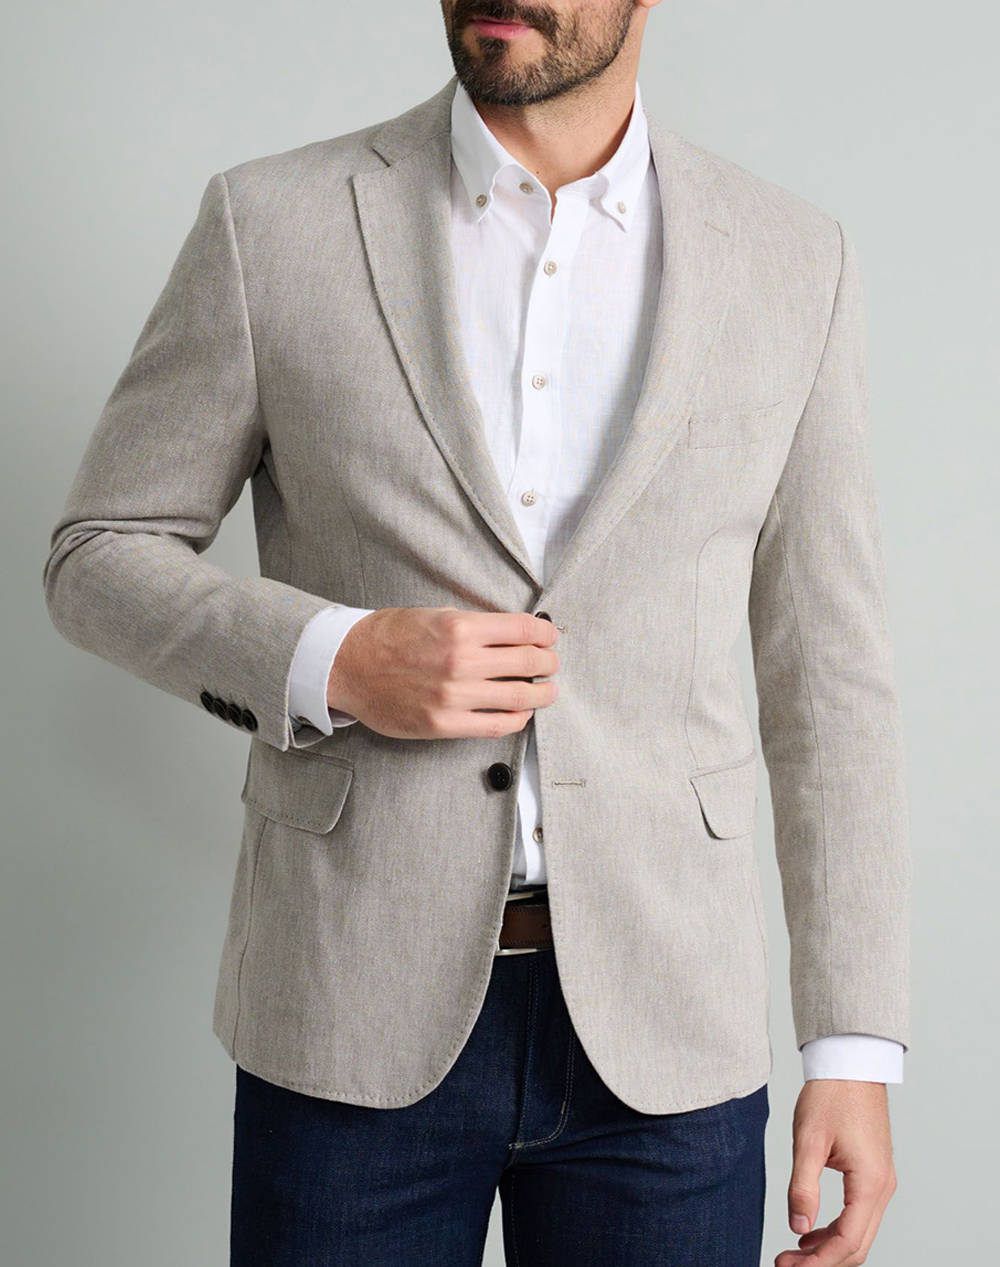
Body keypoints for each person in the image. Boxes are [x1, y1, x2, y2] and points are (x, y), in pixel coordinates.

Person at [42, 2, 911, 1264]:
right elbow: (99, 551)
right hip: (347, 1006)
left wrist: (853, 1043)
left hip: (668, 1024)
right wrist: (333, 659)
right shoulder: (272, 222)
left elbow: (829, 677)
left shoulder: (790, 259)